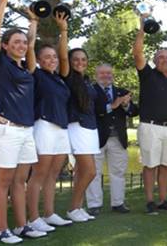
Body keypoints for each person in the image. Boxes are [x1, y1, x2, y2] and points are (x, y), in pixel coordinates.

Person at [0, 0, 46, 243]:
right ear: (5, 46)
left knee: (21, 180)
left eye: (23, 42)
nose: (21, 45)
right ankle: (1, 229)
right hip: (4, 128)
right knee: (4, 181)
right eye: (16, 42)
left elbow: (32, 42)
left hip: (25, 130)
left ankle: (22, 226)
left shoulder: (27, 69)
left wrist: (32, 21)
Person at [25, 12, 73, 233]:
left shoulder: (59, 78)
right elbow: (30, 46)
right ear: (38, 59)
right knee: (39, 174)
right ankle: (33, 218)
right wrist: (33, 23)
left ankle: (50, 214)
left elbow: (64, 58)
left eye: (53, 56)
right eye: (47, 57)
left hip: (61, 128)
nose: (52, 60)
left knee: (53, 175)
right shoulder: (35, 73)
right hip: (44, 126)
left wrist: (63, 30)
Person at [133, 17, 167, 215]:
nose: (165, 60)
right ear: (155, 61)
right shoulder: (147, 74)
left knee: (165, 166)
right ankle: (150, 201)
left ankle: (162, 200)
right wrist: (142, 29)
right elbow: (137, 52)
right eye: (161, 57)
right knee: (150, 165)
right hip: (150, 127)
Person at [85, 64, 138, 216]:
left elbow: (134, 112)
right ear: (96, 75)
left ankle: (118, 203)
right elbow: (91, 110)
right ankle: (94, 205)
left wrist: (127, 104)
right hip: (97, 138)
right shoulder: (90, 91)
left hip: (118, 139)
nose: (106, 76)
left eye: (108, 73)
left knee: (118, 172)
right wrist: (112, 105)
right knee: (93, 172)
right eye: (102, 73)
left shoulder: (121, 91)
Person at [64, 47, 99, 222]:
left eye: (83, 59)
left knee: (81, 171)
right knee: (90, 171)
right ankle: (72, 208)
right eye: (76, 59)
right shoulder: (68, 77)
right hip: (77, 126)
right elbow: (63, 55)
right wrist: (63, 30)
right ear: (69, 61)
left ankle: (78, 207)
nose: (80, 62)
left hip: (90, 128)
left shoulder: (85, 80)